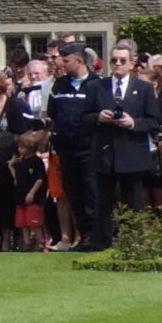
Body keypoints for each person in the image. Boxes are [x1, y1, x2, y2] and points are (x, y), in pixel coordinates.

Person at [44, 43, 107, 250]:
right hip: (66, 148)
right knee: (73, 193)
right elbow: (52, 113)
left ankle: (96, 236)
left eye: (66, 60)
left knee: (92, 192)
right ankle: (84, 236)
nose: (61, 63)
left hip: (89, 148)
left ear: (79, 61)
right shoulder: (60, 85)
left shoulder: (97, 84)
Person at [96, 40, 162, 226]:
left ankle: (134, 240)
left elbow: (154, 121)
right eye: (114, 60)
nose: (117, 64)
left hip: (133, 154)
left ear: (132, 63)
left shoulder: (144, 88)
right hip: (105, 155)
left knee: (133, 202)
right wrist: (98, 117)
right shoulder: (98, 87)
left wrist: (133, 123)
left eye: (122, 60)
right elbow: (84, 117)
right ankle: (104, 242)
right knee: (104, 203)